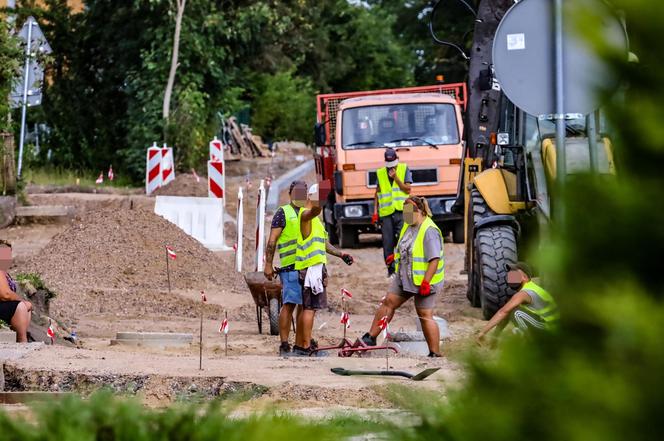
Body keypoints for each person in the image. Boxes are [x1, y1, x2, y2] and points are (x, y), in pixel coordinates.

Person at [362, 196, 444, 357]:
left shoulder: (429, 231)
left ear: (419, 211)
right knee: (388, 303)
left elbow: (434, 260)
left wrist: (426, 282)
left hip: (424, 281)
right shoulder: (409, 225)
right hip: (404, 277)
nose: (406, 216)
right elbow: (405, 246)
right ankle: (370, 337)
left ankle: (435, 353)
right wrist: (396, 258)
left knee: (424, 315)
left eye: (409, 212)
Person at [293, 183, 354, 356]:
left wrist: (341, 254)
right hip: (310, 270)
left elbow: (324, 243)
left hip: (316, 269)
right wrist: (321, 196)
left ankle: (301, 344)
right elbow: (314, 211)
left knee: (309, 308)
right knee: (309, 309)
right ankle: (305, 347)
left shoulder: (316, 222)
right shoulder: (306, 216)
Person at [264, 180, 307, 356]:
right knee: (289, 305)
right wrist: (268, 264)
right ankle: (284, 343)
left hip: (307, 267)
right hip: (290, 268)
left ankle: (300, 343)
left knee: (304, 306)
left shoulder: (308, 213)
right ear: (290, 194)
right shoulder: (283, 213)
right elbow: (272, 240)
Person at [476, 263, 559, 345]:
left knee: (516, 313)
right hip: (549, 327)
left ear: (525, 278)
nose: (511, 277)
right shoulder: (531, 288)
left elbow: (503, 312)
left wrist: (482, 332)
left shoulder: (525, 293)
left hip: (551, 330)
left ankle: (532, 344)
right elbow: (505, 315)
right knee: (511, 310)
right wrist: (494, 338)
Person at [372, 148, 413, 276]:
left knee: (406, 241)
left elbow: (407, 190)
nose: (392, 167)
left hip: (405, 211)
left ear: (397, 159)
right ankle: (391, 271)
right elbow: (377, 194)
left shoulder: (404, 168)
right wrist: (375, 212)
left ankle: (406, 269)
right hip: (386, 213)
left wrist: (396, 178)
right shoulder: (380, 173)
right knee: (388, 243)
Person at [0, 240, 33, 343]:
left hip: (4, 307)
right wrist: (22, 301)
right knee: (21, 306)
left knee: (25, 306)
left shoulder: (4, 272)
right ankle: (22, 340)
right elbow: (5, 294)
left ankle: (22, 338)